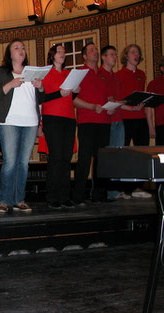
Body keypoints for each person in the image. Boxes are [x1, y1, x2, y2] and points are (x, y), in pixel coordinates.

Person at [0, 39, 45, 214]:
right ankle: (4, 200)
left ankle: (19, 199)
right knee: (10, 162)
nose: (21, 50)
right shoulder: (1, 73)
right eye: (16, 47)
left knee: (23, 163)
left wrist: (41, 88)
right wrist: (10, 84)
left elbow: (41, 100)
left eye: (23, 48)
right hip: (9, 121)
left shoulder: (33, 72)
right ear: (9, 53)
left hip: (30, 122)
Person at [72, 42, 113, 205]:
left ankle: (99, 195)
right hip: (87, 121)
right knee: (84, 158)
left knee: (102, 159)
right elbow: (73, 100)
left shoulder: (104, 73)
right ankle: (78, 196)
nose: (95, 52)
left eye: (96, 49)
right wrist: (91, 107)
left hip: (104, 121)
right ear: (84, 56)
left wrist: (111, 106)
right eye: (91, 50)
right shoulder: (79, 73)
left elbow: (109, 97)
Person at [40, 44, 78, 210]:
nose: (62, 53)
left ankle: (65, 196)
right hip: (52, 118)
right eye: (59, 51)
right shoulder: (46, 73)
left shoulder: (69, 74)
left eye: (64, 51)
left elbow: (71, 97)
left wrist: (76, 91)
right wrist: (59, 94)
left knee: (65, 158)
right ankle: (52, 196)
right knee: (55, 158)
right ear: (52, 55)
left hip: (69, 118)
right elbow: (41, 97)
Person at [116, 44, 152, 199]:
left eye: (137, 52)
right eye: (132, 52)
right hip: (125, 119)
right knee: (124, 154)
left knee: (142, 154)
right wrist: (130, 108)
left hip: (141, 119)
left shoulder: (142, 74)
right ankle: (124, 189)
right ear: (126, 56)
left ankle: (138, 187)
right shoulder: (118, 75)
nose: (136, 55)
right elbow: (118, 100)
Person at [98, 45, 129, 200]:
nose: (114, 57)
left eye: (115, 55)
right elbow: (99, 97)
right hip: (105, 120)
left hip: (118, 118)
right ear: (103, 57)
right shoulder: (99, 73)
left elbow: (118, 100)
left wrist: (132, 107)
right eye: (111, 54)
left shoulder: (115, 76)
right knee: (108, 156)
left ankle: (116, 190)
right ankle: (109, 191)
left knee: (118, 155)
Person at [148, 56, 164, 145]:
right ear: (162, 68)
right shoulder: (154, 83)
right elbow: (148, 107)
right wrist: (151, 127)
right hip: (161, 125)